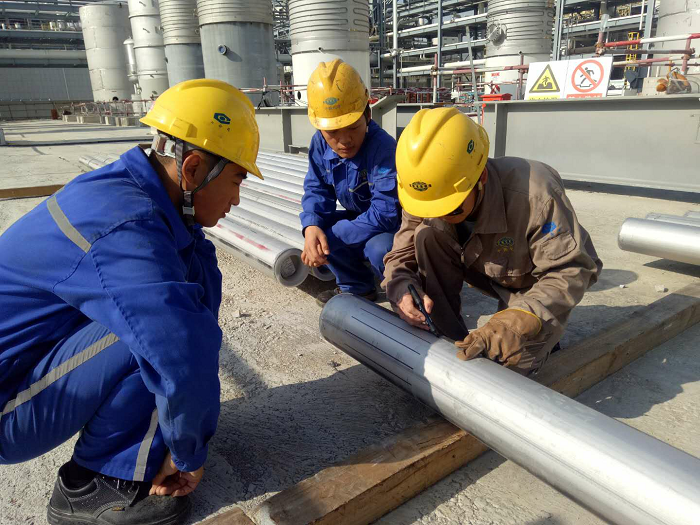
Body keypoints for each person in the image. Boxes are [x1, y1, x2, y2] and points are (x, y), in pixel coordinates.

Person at [0, 79, 263, 524]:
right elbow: (180, 347)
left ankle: (150, 437)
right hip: (6, 409)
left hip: (23, 369)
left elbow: (200, 281)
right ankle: (93, 485)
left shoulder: (139, 195)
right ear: (193, 168)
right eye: (237, 180)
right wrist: (189, 453)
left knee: (182, 295)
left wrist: (187, 426)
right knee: (158, 336)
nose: (237, 199)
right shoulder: (123, 224)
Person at [383, 107, 602, 375]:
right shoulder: (427, 191)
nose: (439, 215)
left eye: (450, 208)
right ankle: (447, 335)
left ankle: (539, 328)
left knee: (505, 362)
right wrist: (401, 288)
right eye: (430, 209)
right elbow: (400, 255)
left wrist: (520, 320)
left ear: (481, 178)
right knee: (426, 234)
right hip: (479, 263)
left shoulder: (536, 196)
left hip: (529, 282)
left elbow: (572, 269)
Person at [300, 59, 400, 306]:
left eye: (353, 128)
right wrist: (311, 226)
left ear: (368, 114)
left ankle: (402, 293)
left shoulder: (383, 148)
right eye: (333, 132)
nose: (344, 140)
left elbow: (386, 213)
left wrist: (336, 235)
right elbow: (316, 188)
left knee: (380, 249)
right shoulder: (319, 142)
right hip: (359, 215)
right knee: (319, 231)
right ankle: (357, 288)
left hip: (393, 225)